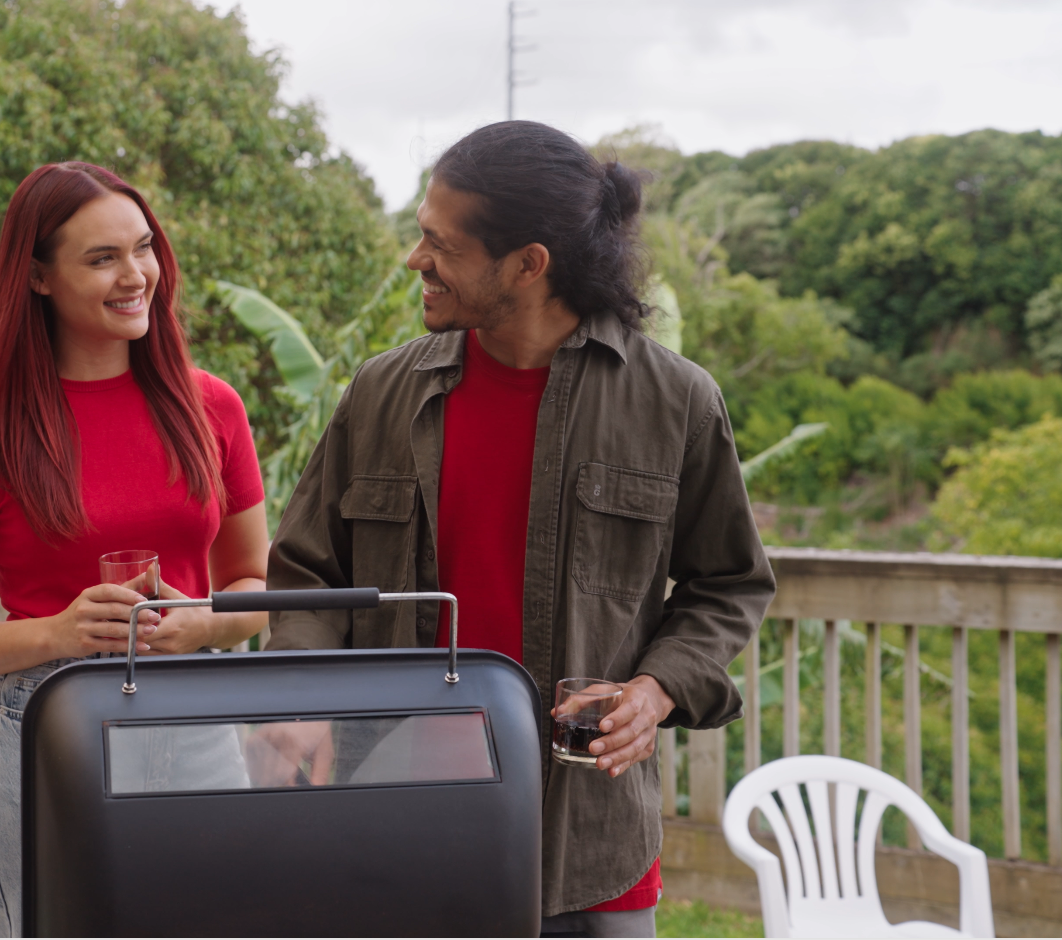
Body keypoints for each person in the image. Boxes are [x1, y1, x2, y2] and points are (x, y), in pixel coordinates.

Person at [265, 122, 775, 938]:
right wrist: (299, 695)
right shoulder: (383, 392)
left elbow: (729, 583)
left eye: (441, 243)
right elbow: (305, 571)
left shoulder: (676, 400)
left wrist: (657, 688)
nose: (415, 260)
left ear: (529, 264)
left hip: (588, 842)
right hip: (394, 817)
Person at [0, 162, 269, 936]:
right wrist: (56, 634)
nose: (136, 276)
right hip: (52, 725)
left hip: (196, 717)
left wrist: (202, 624)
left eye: (143, 249)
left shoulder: (213, 409)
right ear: (36, 276)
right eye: (102, 259)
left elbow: (252, 584)